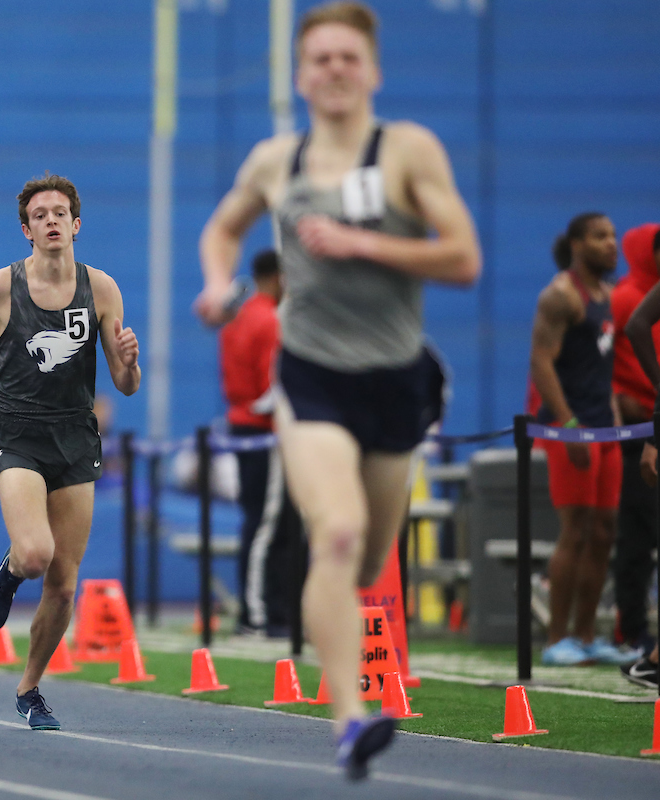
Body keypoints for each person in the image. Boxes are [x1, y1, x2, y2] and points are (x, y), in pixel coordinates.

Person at [194, 1, 480, 779]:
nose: (334, 70)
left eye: (348, 57)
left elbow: (463, 259)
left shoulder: (407, 152)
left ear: (373, 70)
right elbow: (222, 228)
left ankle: (345, 666)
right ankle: (351, 720)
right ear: (300, 74)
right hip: (311, 374)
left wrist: (362, 243)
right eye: (319, 58)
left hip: (393, 379)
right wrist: (219, 283)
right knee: (339, 533)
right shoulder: (274, 161)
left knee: (362, 563)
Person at [0, 173, 140, 731]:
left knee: (65, 581)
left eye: (60, 212)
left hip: (75, 436)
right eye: (40, 214)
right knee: (37, 554)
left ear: (75, 225)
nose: (51, 220)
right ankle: (11, 567)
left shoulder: (104, 290)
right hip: (18, 434)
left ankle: (30, 689)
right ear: (26, 230)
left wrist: (130, 360)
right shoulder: (2, 286)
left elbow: (124, 384)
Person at [527, 212, 633, 667]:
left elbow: (601, 369)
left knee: (604, 530)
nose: (612, 244)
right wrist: (569, 426)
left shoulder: (610, 297)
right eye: (600, 236)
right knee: (576, 530)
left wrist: (609, 417)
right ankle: (555, 640)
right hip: (567, 428)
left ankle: (587, 635)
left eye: (612, 235)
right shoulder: (560, 296)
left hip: (604, 428)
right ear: (576, 244)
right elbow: (541, 362)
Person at [219, 249, 300, 638]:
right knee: (267, 524)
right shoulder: (268, 320)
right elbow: (271, 390)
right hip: (264, 431)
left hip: (244, 427)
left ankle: (274, 611)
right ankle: (256, 614)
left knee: (267, 521)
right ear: (280, 276)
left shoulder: (238, 318)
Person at [609, 223, 660, 660]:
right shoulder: (625, 299)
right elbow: (600, 359)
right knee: (636, 536)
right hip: (636, 432)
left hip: (651, 421)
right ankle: (632, 628)